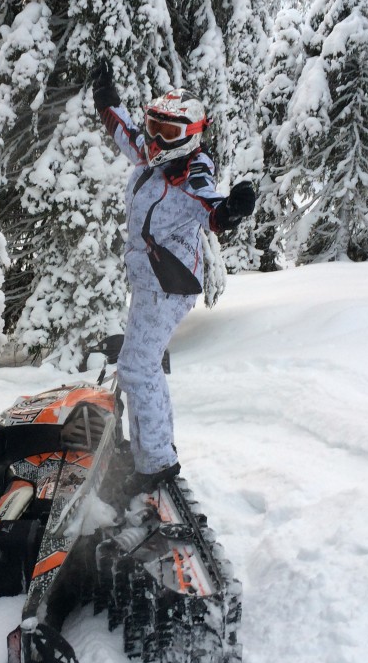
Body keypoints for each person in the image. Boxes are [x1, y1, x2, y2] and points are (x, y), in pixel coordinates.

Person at [90, 60, 256, 497]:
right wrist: (106, 97)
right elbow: (125, 132)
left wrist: (232, 209)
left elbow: (212, 208)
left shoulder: (191, 173)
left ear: (190, 138)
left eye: (167, 133)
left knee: (137, 366)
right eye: (153, 126)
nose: (154, 140)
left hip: (168, 283)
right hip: (149, 280)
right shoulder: (152, 154)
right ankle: (153, 447)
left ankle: (155, 463)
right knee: (141, 365)